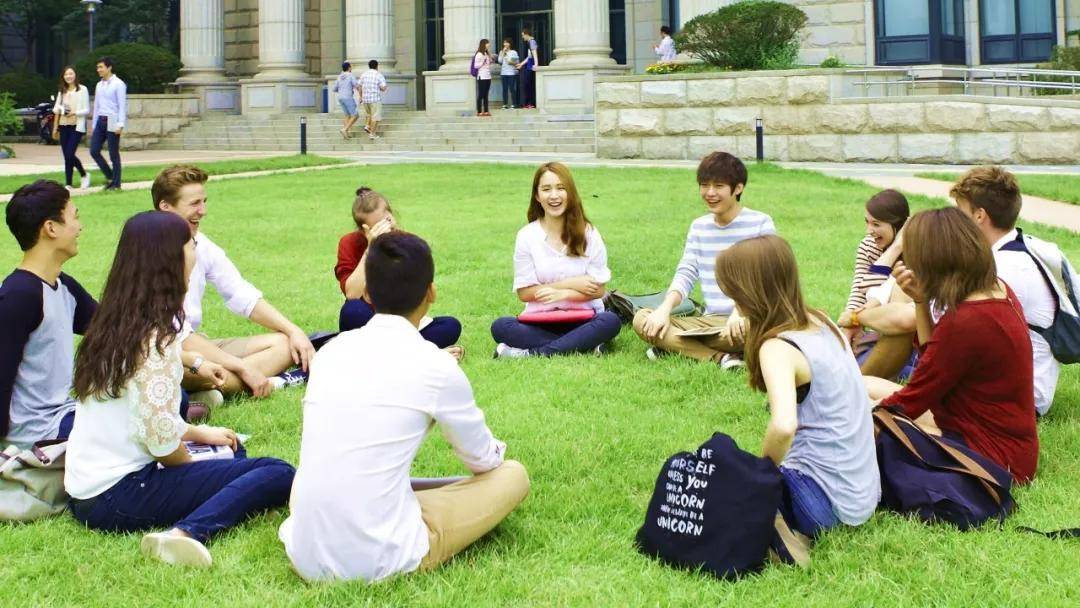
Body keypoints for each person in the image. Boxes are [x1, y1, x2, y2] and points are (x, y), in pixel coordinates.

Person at [280, 231, 529, 583]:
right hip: (378, 556)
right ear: (431, 292)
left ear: (367, 294)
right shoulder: (435, 365)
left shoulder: (331, 353)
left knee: (372, 477)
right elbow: (483, 460)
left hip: (303, 547)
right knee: (512, 475)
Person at [64, 211, 295, 568]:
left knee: (232, 449)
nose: (195, 252)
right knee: (277, 472)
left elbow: (142, 416)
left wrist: (201, 434)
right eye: (190, 244)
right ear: (169, 259)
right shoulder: (154, 340)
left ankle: (227, 495)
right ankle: (186, 533)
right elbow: (161, 442)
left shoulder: (116, 321)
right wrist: (193, 466)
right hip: (120, 494)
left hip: (86, 490)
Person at [715, 235, 879, 539]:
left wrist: (761, 477)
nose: (731, 299)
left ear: (750, 289)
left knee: (717, 468)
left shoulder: (778, 347)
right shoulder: (821, 321)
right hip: (861, 495)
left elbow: (783, 426)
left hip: (820, 502)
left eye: (733, 290)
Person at [866, 208, 1038, 484]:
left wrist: (855, 415)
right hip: (986, 430)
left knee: (864, 419)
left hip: (990, 455)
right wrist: (921, 301)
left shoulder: (968, 320)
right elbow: (933, 361)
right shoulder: (996, 289)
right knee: (861, 385)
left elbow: (911, 401)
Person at [151, 165, 315, 400]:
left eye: (204, 201)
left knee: (285, 344)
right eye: (195, 203)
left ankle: (208, 390)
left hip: (195, 345)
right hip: (164, 352)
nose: (203, 211)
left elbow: (241, 294)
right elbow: (174, 334)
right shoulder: (148, 252)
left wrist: (294, 331)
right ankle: (229, 385)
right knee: (198, 370)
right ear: (166, 207)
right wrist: (242, 367)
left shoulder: (201, 244)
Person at [633, 151, 776, 366]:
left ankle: (677, 346)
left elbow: (767, 280)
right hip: (710, 322)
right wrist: (664, 310)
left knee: (756, 331)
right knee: (642, 320)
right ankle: (722, 357)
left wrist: (740, 311)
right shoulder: (699, 227)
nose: (710, 193)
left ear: (738, 188)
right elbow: (687, 272)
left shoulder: (760, 223)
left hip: (749, 319)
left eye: (718, 186)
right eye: (704, 185)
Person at [951, 166, 1059, 416]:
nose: (955, 223)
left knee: (878, 390)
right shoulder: (1033, 247)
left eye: (960, 213)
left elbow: (946, 324)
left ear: (979, 215)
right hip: (1031, 386)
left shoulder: (1003, 268)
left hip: (1016, 399)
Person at [490, 162, 621, 358]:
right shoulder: (526, 236)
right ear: (537, 196)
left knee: (610, 321)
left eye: (561, 188)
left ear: (570, 193)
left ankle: (528, 354)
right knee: (501, 326)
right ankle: (583, 344)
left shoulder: (589, 233)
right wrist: (571, 284)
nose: (554, 195)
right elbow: (524, 293)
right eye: (546, 189)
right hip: (541, 320)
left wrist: (563, 294)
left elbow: (599, 290)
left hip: (583, 319)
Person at [1, 181, 94, 448]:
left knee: (168, 402)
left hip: (65, 413)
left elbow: (113, 329)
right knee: (128, 428)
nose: (80, 226)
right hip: (37, 431)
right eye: (74, 217)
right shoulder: (19, 296)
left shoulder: (63, 286)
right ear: (51, 228)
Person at [336, 186, 463, 358]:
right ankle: (417, 352)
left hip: (402, 320)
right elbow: (352, 294)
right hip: (369, 321)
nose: (386, 228)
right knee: (352, 311)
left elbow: (416, 291)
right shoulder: (349, 243)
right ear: (363, 229)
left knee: (450, 326)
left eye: (388, 220)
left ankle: (390, 353)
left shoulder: (405, 241)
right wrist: (370, 248)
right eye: (377, 226)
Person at [836, 190, 916, 380]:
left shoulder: (917, 249)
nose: (869, 231)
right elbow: (861, 290)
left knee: (859, 368)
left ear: (899, 225)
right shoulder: (869, 245)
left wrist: (897, 246)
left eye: (876, 224)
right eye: (867, 222)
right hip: (877, 328)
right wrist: (849, 329)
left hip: (907, 333)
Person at [89, 56, 126, 191]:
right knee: (94, 151)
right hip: (101, 119)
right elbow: (97, 106)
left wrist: (120, 124)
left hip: (112, 119)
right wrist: (94, 125)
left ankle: (116, 183)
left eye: (101, 67)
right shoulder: (99, 85)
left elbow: (122, 105)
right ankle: (110, 176)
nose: (98, 70)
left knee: (113, 153)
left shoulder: (118, 84)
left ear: (109, 67)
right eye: (97, 67)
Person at [51, 66, 91, 190]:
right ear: (63, 77)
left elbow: (87, 110)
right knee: (67, 156)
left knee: (69, 154)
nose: (68, 76)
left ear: (75, 75)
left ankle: (84, 174)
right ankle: (68, 183)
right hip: (63, 126)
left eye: (71, 74)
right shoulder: (62, 91)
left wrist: (74, 113)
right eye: (66, 74)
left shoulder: (82, 89)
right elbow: (56, 109)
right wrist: (55, 127)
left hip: (76, 126)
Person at [360, 59, 388, 141]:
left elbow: (359, 86)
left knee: (369, 115)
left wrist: (361, 97)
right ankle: (372, 134)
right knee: (375, 117)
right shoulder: (378, 75)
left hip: (365, 99)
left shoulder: (364, 74)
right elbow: (383, 88)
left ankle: (367, 126)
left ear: (369, 66)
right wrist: (384, 88)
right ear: (377, 66)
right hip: (375, 99)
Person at [333, 61, 360, 139]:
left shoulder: (339, 76)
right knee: (355, 115)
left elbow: (334, 88)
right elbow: (356, 85)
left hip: (340, 98)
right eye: (351, 67)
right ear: (349, 68)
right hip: (348, 97)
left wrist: (342, 89)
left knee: (347, 115)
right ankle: (345, 129)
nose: (351, 68)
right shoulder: (350, 75)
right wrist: (361, 94)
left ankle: (347, 133)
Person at [516, 28, 539, 109]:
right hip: (529, 66)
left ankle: (530, 103)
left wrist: (536, 64)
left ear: (526, 34)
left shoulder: (532, 42)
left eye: (523, 35)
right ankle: (529, 103)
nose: (522, 37)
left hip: (531, 67)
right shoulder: (530, 42)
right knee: (528, 85)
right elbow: (529, 56)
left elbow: (534, 53)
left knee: (529, 85)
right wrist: (521, 64)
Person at [473, 39, 494, 117]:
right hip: (481, 76)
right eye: (487, 43)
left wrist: (489, 56)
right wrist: (482, 62)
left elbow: (490, 62)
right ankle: (479, 111)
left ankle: (486, 111)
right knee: (481, 94)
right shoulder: (479, 54)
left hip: (488, 76)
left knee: (486, 94)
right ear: (483, 44)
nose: (489, 45)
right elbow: (476, 66)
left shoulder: (486, 53)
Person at [497, 38, 519, 109]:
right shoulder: (501, 52)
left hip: (511, 73)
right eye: (504, 43)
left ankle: (514, 104)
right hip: (503, 73)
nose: (505, 44)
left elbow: (516, 62)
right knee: (504, 89)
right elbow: (500, 61)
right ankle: (505, 104)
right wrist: (503, 53)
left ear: (510, 44)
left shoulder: (513, 52)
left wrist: (509, 60)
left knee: (512, 88)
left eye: (507, 43)